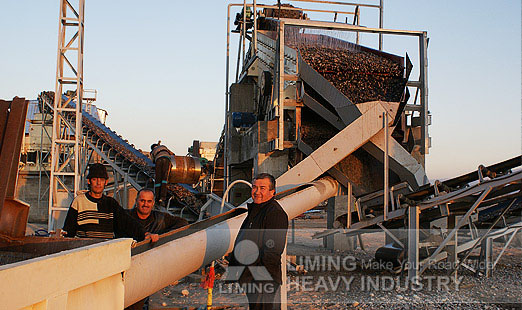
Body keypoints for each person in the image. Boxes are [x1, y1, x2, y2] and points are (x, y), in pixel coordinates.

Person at [227, 173, 288, 310]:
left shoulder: (275, 213)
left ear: (272, 192)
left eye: (262, 188)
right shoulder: (256, 210)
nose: (257, 192)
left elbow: (274, 249)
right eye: (254, 187)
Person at [125, 188, 188, 310]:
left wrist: (161, 237)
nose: (145, 204)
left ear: (153, 203)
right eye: (142, 200)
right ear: (136, 201)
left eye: (149, 201)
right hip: (128, 265)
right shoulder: (126, 216)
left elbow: (183, 222)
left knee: (143, 301)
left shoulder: (159, 218)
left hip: (149, 266)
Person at [63, 163, 157, 242]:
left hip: (106, 253)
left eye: (102, 180)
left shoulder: (111, 203)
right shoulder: (79, 202)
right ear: (89, 181)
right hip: (84, 253)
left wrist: (145, 234)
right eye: (95, 179)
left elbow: (128, 223)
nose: (98, 183)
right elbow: (69, 231)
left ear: (106, 182)